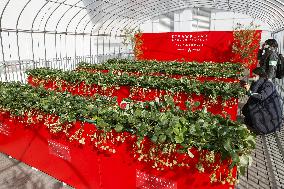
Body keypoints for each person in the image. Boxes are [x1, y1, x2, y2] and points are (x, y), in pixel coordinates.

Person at [241, 67, 283, 134]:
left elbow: (262, 97)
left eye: (254, 76)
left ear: (260, 75)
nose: (253, 77)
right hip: (264, 106)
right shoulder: (257, 82)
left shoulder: (268, 84)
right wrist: (246, 87)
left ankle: (260, 126)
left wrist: (249, 91)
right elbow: (251, 93)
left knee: (252, 107)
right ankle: (254, 122)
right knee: (248, 108)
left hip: (271, 114)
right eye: (252, 76)